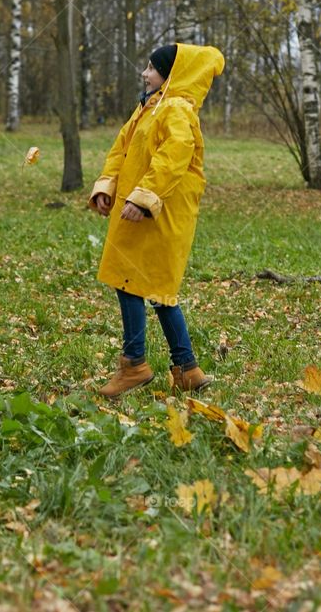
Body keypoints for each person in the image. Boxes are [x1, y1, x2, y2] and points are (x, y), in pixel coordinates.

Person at [88, 43, 225, 398]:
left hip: (160, 215)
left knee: (134, 281)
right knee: (157, 291)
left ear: (170, 75)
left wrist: (144, 198)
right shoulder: (148, 107)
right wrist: (108, 186)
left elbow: (173, 157)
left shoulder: (176, 110)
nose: (145, 73)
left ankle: (134, 364)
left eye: (151, 68)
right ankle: (187, 369)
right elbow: (121, 150)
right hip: (138, 212)